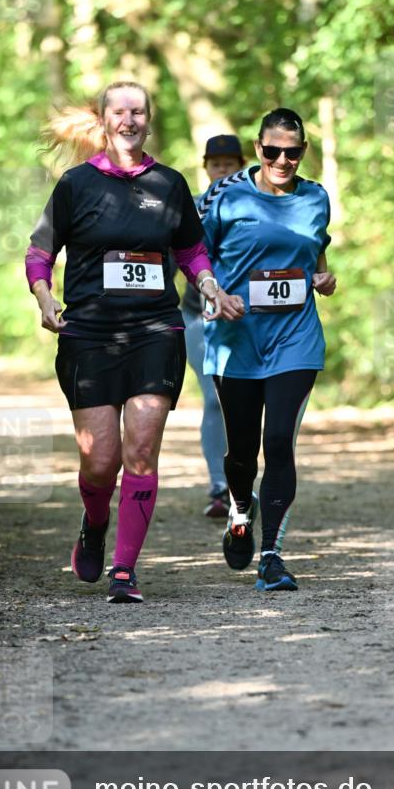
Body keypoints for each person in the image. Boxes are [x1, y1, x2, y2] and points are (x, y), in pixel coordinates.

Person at [25, 81, 243, 604]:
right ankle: (94, 522)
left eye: (138, 111)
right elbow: (40, 252)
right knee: (101, 462)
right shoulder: (76, 184)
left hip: (155, 332)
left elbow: (191, 250)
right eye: (120, 112)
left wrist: (209, 284)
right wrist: (44, 297)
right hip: (90, 335)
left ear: (148, 121)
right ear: (104, 120)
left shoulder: (169, 184)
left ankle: (124, 570)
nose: (129, 120)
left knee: (141, 451)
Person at [199, 107, 336, 592]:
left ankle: (273, 556)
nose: (282, 160)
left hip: (295, 339)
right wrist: (215, 294)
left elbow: (317, 249)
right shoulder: (224, 194)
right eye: (273, 151)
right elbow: (194, 255)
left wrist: (323, 275)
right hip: (235, 340)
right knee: (242, 451)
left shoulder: (316, 197)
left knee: (278, 441)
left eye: (292, 153)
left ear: (303, 152)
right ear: (258, 148)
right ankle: (240, 508)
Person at [181, 134, 245, 517]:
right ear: (205, 167)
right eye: (215, 164)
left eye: (229, 164)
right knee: (214, 398)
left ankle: (245, 477)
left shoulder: (256, 206)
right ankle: (219, 486)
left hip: (247, 319)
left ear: (241, 166)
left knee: (244, 400)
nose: (222, 170)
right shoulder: (189, 208)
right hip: (197, 318)